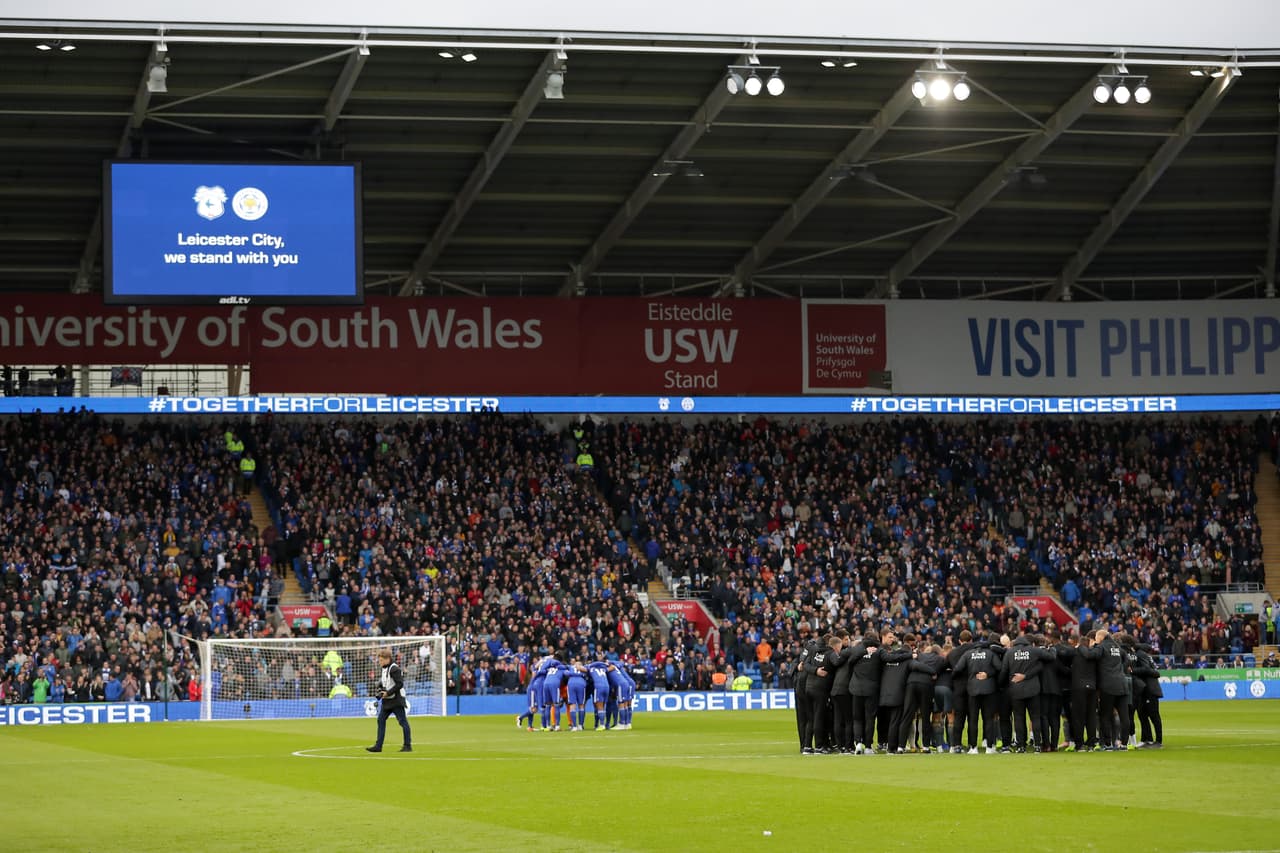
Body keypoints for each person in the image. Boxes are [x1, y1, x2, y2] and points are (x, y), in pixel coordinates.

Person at [366, 649, 411, 753]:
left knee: (402, 722)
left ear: (387, 659)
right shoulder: (384, 668)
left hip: (396, 700)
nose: (380, 662)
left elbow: (400, 684)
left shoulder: (394, 669)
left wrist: (388, 693)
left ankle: (407, 745)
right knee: (380, 720)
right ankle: (378, 746)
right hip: (388, 700)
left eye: (381, 660)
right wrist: (380, 691)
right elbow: (385, 683)